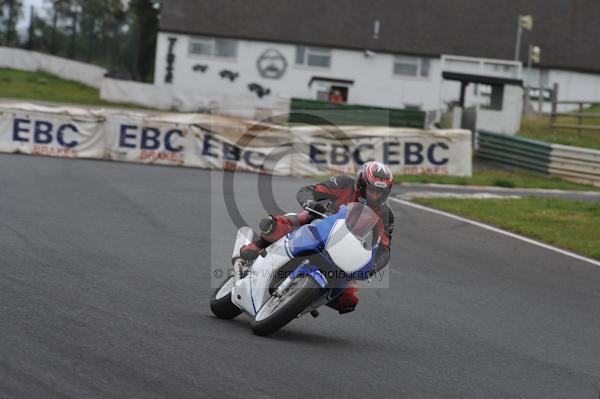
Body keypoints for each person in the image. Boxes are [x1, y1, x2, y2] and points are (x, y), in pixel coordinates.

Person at [239, 161, 395, 314]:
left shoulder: (386, 215)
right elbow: (308, 190)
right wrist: (312, 203)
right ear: (361, 184)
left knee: (349, 299)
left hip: (345, 252)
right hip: (318, 225)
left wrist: (373, 266)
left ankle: (304, 301)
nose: (374, 195)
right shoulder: (342, 183)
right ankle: (259, 245)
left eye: (379, 192)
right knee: (279, 224)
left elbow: (384, 249)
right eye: (371, 190)